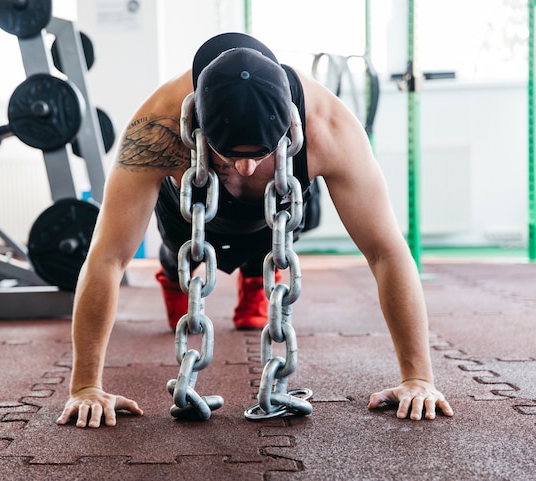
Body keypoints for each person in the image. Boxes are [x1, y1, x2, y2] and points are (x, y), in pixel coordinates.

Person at [56, 32, 454, 428]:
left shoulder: (328, 127)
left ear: (292, 126)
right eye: (230, 155)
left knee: (280, 234)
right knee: (180, 258)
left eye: (259, 154)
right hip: (189, 212)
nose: (246, 169)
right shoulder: (155, 129)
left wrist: (418, 378)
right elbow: (108, 257)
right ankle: (173, 276)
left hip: (273, 213)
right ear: (194, 121)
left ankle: (254, 276)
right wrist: (86, 386)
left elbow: (386, 251)